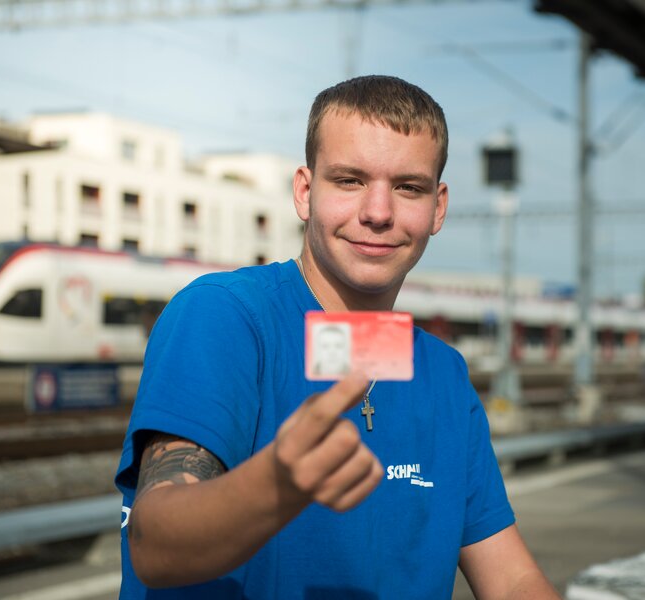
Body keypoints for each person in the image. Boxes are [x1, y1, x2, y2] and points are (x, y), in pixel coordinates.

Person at [115, 75, 560, 599]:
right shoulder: (225, 316)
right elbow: (157, 545)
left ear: (438, 208)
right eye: (349, 180)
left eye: (407, 187)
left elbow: (511, 579)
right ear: (305, 192)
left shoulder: (442, 372)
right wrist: (276, 484)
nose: (377, 212)